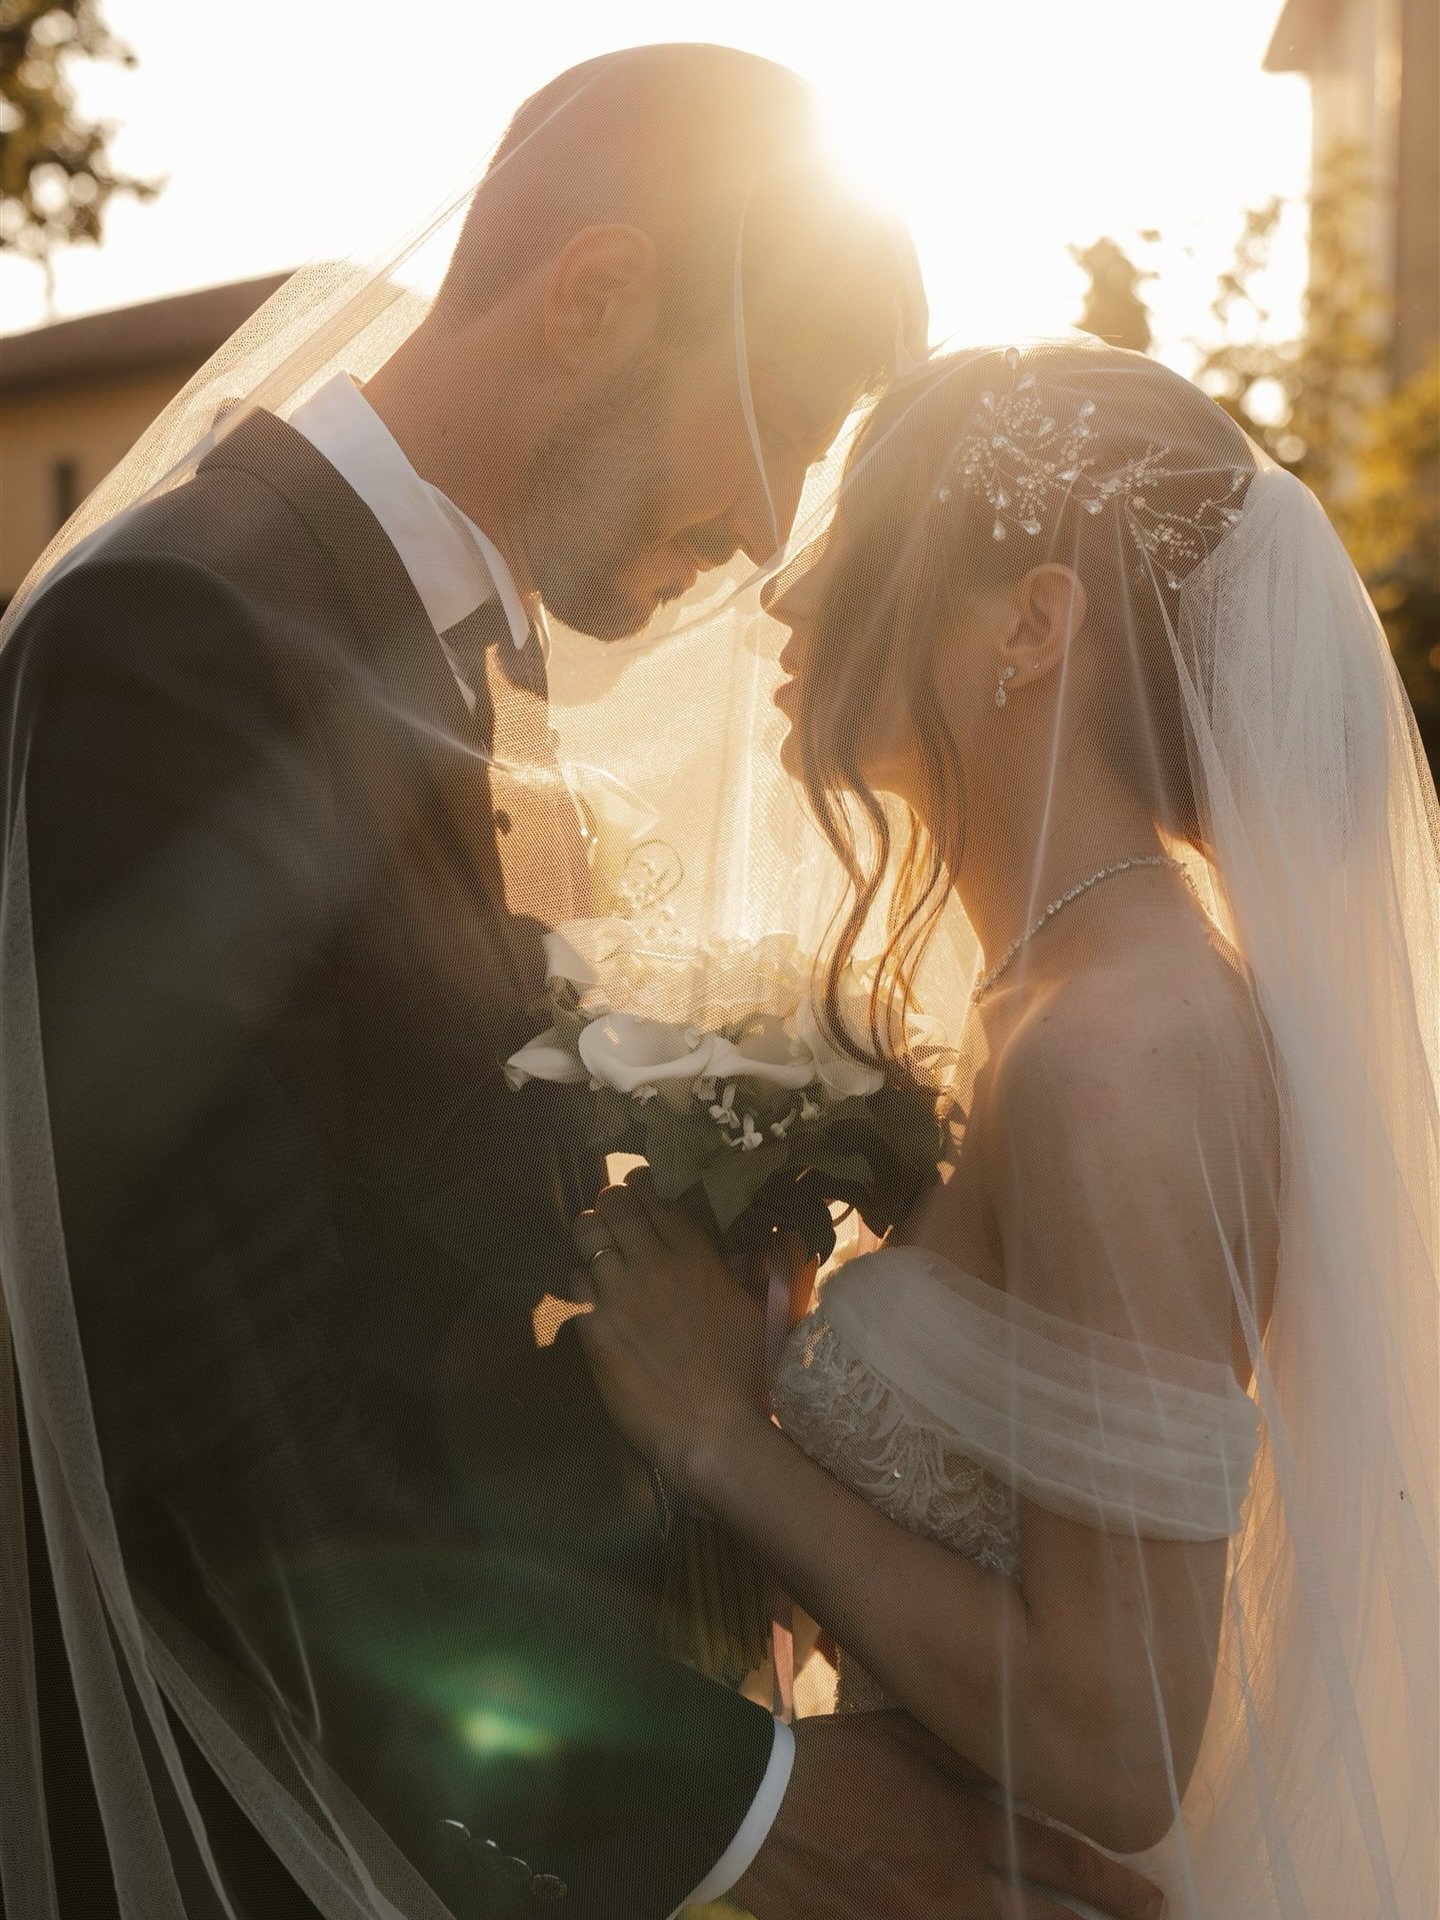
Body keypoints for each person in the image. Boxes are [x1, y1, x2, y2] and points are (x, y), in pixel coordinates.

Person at [0, 49, 1165, 1920]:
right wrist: (776, 1817)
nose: (780, 530)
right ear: (598, 297)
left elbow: (404, 1312)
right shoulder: (184, 637)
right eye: (772, 426)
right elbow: (213, 1428)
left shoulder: (443, 658)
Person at [567, 342, 1440, 1918]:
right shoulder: (1050, 998)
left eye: (860, 539)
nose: (785, 595)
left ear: (1034, 626)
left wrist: (724, 1442)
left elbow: (1117, 1743)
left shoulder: (1125, 1051)